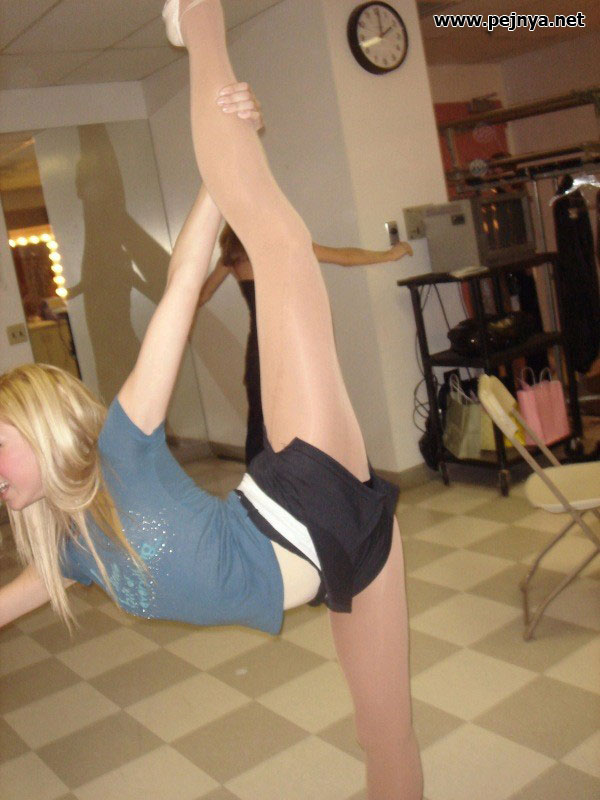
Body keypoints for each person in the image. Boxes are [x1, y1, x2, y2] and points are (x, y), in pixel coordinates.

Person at [0, 1, 423, 797]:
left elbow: (180, 284)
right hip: (345, 552)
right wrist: (225, 166)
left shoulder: (121, 447)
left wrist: (222, 170)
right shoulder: (71, 550)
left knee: (281, 244)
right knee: (386, 738)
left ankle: (200, 17)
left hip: (299, 503)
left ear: (38, 425)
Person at [199, 224, 413, 463]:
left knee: (259, 424)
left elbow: (202, 295)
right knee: (313, 419)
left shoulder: (232, 259)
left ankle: (259, 482)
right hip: (295, 348)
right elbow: (345, 257)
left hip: (260, 351)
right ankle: (321, 478)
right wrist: (388, 255)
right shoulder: (285, 246)